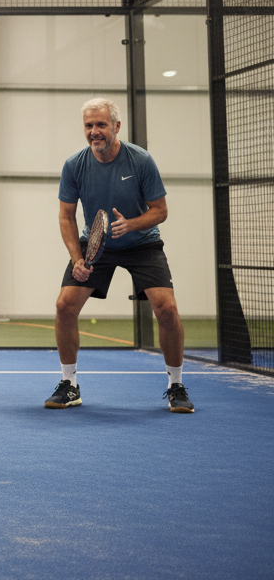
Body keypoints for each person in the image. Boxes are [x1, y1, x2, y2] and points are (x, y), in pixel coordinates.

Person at [47, 98, 193, 412]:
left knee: (166, 309)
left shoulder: (140, 161)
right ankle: (69, 385)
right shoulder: (75, 165)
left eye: (101, 125)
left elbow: (161, 211)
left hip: (142, 244)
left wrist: (131, 225)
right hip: (96, 244)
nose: (94, 132)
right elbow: (65, 216)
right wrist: (77, 258)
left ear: (116, 126)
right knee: (64, 305)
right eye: (89, 125)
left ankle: (176, 385)